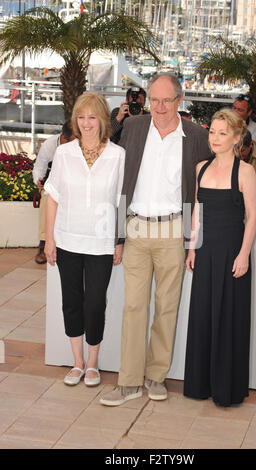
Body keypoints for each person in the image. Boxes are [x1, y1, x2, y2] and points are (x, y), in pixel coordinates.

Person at [99, 73, 211, 407]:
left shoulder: (195, 136)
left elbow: (201, 188)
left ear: (180, 100)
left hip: (173, 230)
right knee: (133, 306)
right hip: (135, 228)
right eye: (155, 99)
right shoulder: (133, 129)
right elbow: (120, 183)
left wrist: (193, 240)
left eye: (167, 100)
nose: (160, 107)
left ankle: (156, 376)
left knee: (166, 308)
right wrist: (118, 236)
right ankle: (129, 382)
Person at [44, 92, 125, 387]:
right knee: (72, 301)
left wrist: (120, 240)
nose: (87, 123)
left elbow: (121, 201)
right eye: (81, 117)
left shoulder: (118, 155)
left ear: (103, 119)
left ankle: (93, 363)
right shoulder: (65, 153)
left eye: (92, 117)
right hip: (67, 240)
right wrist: (49, 239)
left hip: (101, 243)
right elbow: (52, 196)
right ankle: (76, 362)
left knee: (94, 303)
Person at [184, 108, 256, 407]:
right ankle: (200, 385)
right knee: (202, 316)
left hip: (231, 253)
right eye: (212, 132)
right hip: (204, 252)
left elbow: (252, 216)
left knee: (228, 319)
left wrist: (244, 255)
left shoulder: (245, 172)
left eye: (222, 133)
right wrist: (191, 247)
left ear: (236, 137)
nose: (214, 138)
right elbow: (197, 213)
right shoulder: (201, 167)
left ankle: (227, 389)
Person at [33, 122, 75, 264]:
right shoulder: (49, 145)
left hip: (73, 186)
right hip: (53, 185)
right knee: (47, 196)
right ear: (63, 137)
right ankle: (44, 242)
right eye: (70, 141)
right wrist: (38, 180)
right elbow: (39, 168)